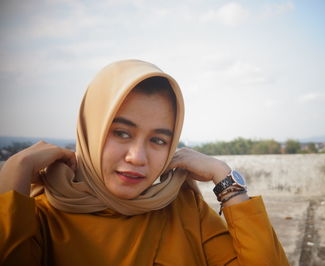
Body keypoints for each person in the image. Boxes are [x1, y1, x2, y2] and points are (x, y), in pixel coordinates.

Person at [0, 59, 289, 265]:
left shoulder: (183, 209)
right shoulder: (39, 217)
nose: (137, 157)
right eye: (121, 133)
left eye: (159, 140)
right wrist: (15, 173)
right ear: (91, 130)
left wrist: (225, 180)